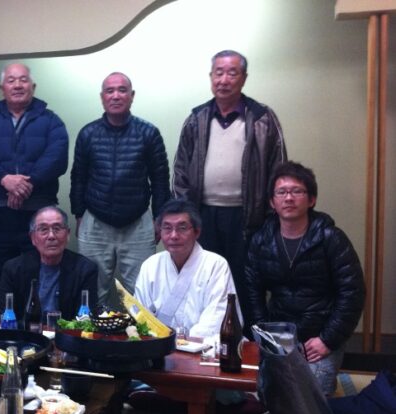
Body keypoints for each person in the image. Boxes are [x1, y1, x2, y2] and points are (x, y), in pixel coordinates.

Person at [172, 50, 287, 334]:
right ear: (210, 77)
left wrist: (271, 217)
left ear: (243, 78)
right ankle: (204, 341)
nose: (224, 80)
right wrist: (187, 216)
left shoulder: (262, 118)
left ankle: (246, 344)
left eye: (232, 73)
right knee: (204, 280)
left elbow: (278, 168)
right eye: (218, 73)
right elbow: (181, 170)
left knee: (245, 283)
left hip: (247, 218)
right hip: (203, 215)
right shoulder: (197, 118)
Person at [246, 161, 365, 395]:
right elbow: (252, 293)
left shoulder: (331, 238)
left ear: (311, 200)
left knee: (312, 395)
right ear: (272, 202)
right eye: (281, 192)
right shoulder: (261, 241)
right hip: (279, 336)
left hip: (319, 337)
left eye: (297, 191)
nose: (289, 198)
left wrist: (327, 340)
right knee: (260, 390)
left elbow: (353, 293)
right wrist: (265, 337)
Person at [0, 63, 68, 318]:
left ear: (33, 86)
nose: (18, 85)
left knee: (39, 278)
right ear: (2, 88)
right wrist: (4, 180)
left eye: (23, 80)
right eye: (11, 80)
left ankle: (37, 333)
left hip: (39, 216)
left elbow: (57, 157)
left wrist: (27, 183)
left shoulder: (51, 121)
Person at [70, 72, 170, 306]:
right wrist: (78, 214)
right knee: (92, 292)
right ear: (102, 97)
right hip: (95, 221)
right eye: (110, 91)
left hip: (138, 223)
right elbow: (78, 177)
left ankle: (140, 332)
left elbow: (160, 180)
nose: (116, 95)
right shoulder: (88, 133)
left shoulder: (149, 133)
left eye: (122, 90)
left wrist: (160, 218)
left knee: (141, 294)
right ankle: (94, 332)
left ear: (132, 96)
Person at [134, 199, 239, 339]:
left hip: (203, 347)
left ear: (197, 232)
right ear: (159, 231)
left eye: (182, 228)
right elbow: (141, 315)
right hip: (157, 346)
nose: (174, 236)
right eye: (167, 228)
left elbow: (217, 320)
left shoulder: (216, 265)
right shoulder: (150, 265)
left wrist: (182, 342)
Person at [0, 206, 98, 321]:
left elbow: (86, 321)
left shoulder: (86, 270)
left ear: (68, 234)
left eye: (57, 228)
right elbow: (1, 317)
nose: (51, 236)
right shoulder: (13, 269)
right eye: (43, 229)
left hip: (66, 332)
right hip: (25, 332)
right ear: (33, 238)